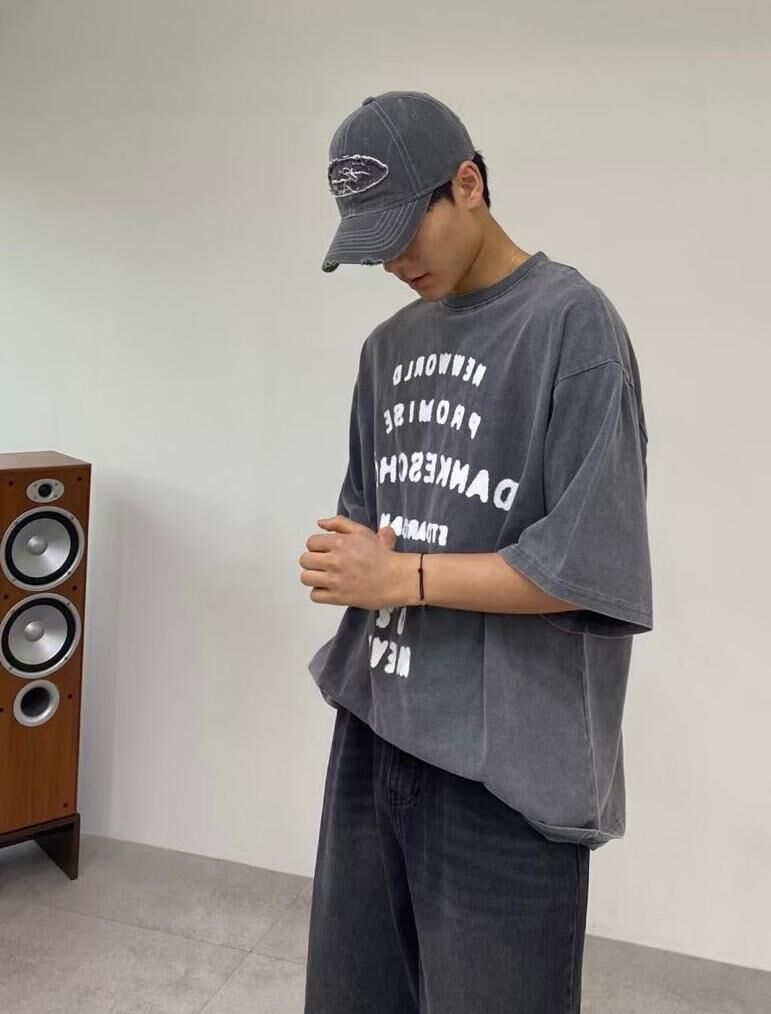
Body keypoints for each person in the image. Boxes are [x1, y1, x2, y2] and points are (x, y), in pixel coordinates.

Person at [299, 90, 653, 1014]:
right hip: (375, 727)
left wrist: (399, 576)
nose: (392, 262)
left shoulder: (572, 326)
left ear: (468, 183)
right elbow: (367, 524)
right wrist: (351, 564)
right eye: (371, 245)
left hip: (507, 766)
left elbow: (586, 565)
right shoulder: (385, 349)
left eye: (402, 232)